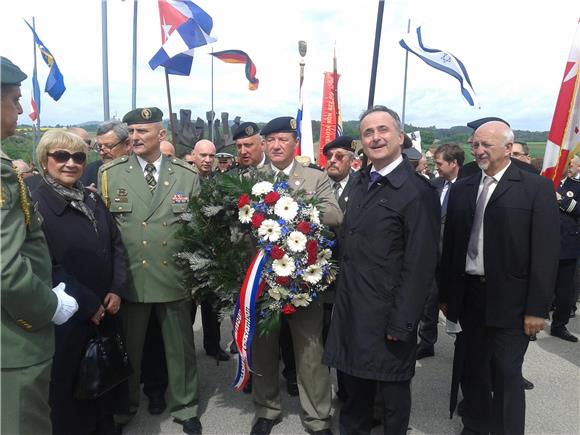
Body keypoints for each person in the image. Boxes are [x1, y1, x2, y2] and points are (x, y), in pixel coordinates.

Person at [323, 106, 440, 435]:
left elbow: (420, 267)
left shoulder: (417, 193)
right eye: (368, 132)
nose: (376, 137)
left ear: (400, 137)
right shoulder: (361, 183)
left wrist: (403, 322)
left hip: (388, 318)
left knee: (391, 400)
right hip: (351, 311)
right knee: (354, 398)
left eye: (383, 130)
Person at [439, 120, 559, 434]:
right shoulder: (464, 186)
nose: (478, 151)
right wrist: (446, 295)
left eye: (485, 145)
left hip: (513, 302)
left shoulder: (535, 188)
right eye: (475, 145)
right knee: (473, 369)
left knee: (507, 372)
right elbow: (452, 245)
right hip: (470, 297)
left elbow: (545, 253)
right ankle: (477, 425)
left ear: (508, 148)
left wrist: (537, 308)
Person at [98, 107, 203, 435]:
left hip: (174, 277)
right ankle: (125, 406)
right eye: (131, 131)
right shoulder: (111, 174)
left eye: (143, 131)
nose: (134, 137)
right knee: (129, 348)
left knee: (180, 349)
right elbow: (105, 232)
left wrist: (195, 276)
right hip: (132, 278)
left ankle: (186, 407)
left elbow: (196, 228)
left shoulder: (186, 174)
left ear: (161, 135)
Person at [30, 129, 128, 435]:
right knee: (70, 385)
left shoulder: (91, 199)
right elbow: (44, 263)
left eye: (78, 157)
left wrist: (116, 288)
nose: (70, 163)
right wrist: (87, 303)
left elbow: (116, 246)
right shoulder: (35, 203)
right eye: (61, 156)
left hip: (106, 306)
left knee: (104, 377)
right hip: (69, 313)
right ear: (44, 161)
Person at [1, 55, 79, 435]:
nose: (19, 108)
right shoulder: (3, 173)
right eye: (14, 98)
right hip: (14, 337)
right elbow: (4, 268)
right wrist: (48, 306)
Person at [250, 116, 342, 435]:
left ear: (294, 144)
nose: (276, 145)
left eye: (283, 139)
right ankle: (266, 409)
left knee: (310, 350)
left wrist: (292, 205)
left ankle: (317, 416)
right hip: (262, 280)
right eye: (271, 139)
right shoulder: (252, 177)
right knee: (263, 348)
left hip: (303, 279)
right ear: (264, 144)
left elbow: (334, 213)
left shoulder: (314, 177)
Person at [416, 143, 464, 360]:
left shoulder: (468, 187)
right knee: (429, 301)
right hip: (432, 255)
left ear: (454, 163)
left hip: (456, 258)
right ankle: (427, 342)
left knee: (456, 302)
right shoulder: (434, 185)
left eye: (440, 163)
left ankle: (464, 343)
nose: (436, 168)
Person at [550, 155, 580, 342]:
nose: (568, 167)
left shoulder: (576, 185)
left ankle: (559, 325)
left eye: (571, 164)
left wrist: (559, 198)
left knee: (564, 290)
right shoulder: (545, 181)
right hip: (545, 242)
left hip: (568, 244)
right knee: (541, 286)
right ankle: (532, 324)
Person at [81, 120, 131, 188]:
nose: (102, 152)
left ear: (127, 144)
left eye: (109, 146)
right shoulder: (90, 170)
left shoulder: (141, 169)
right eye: (99, 146)